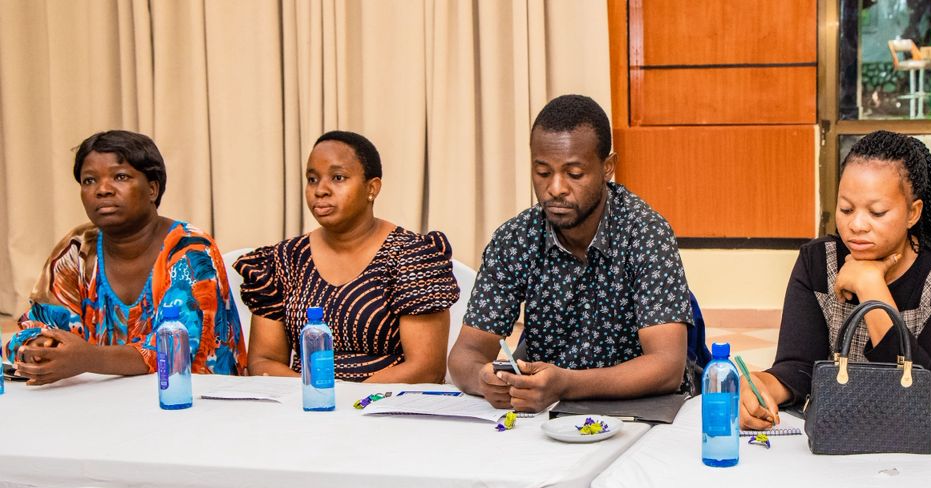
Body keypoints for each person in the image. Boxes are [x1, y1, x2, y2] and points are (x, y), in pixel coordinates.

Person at [448, 94, 692, 412]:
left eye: (574, 174)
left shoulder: (645, 233)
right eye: (543, 172)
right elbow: (465, 355)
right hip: (544, 416)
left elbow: (667, 367)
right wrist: (484, 379)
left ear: (607, 167)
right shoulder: (516, 238)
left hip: (641, 411)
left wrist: (566, 384)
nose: (556, 188)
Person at [738, 131, 931, 430]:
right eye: (846, 209)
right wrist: (762, 384)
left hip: (924, 438)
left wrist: (871, 287)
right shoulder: (818, 261)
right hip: (837, 429)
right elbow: (800, 368)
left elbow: (927, 394)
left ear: (913, 213)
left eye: (877, 212)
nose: (856, 225)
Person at [5, 130, 246, 384]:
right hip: (101, 399)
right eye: (89, 180)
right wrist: (40, 346)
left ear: (152, 189)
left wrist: (87, 359)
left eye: (120, 177)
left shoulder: (189, 249)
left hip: (193, 398)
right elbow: (32, 327)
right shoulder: (78, 248)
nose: (102, 190)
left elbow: (176, 350)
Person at [234, 131, 458, 383]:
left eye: (338, 177)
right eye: (312, 179)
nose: (320, 190)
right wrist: (316, 394)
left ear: (372, 188)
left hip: (387, 402)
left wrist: (347, 399)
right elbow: (264, 361)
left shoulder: (412, 256)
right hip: (304, 401)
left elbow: (426, 368)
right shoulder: (284, 259)